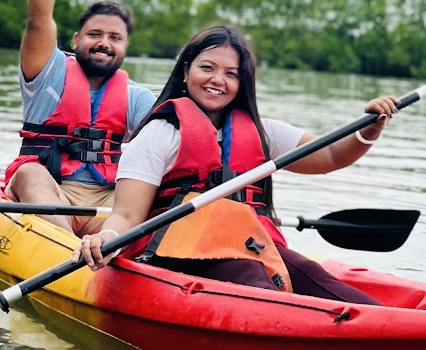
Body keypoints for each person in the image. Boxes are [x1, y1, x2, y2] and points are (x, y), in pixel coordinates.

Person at [76, 23, 397, 304]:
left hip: (249, 246)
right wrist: (106, 239)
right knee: (251, 275)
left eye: (231, 74)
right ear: (186, 71)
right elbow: (128, 214)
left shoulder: (262, 131)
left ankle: (391, 328)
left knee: (312, 275)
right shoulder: (158, 134)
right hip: (178, 252)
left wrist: (369, 129)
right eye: (207, 68)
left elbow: (330, 157)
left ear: (243, 83)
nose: (218, 80)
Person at [3, 0, 156, 229]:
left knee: (156, 193)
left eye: (115, 37)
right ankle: (61, 254)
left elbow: (172, 137)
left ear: (126, 46)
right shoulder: (49, 71)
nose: (104, 43)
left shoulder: (136, 97)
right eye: (95, 34)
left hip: (107, 201)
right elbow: (38, 22)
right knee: (30, 171)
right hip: (49, 188)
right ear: (76, 39)